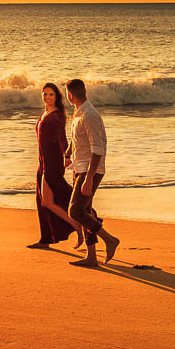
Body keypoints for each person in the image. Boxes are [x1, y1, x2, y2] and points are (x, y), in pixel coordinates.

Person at [64, 78, 120, 266]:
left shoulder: (90, 115)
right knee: (86, 211)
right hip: (79, 167)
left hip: (90, 170)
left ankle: (110, 239)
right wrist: (67, 154)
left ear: (70, 95)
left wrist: (89, 179)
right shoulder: (78, 113)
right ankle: (92, 256)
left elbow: (97, 150)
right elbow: (77, 138)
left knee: (75, 211)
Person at [27, 83, 84, 250]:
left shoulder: (57, 115)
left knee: (50, 200)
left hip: (52, 162)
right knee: (44, 201)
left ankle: (79, 225)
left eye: (50, 94)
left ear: (56, 97)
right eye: (44, 94)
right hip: (42, 161)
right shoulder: (45, 113)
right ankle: (46, 238)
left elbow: (61, 138)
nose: (47, 97)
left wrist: (66, 156)